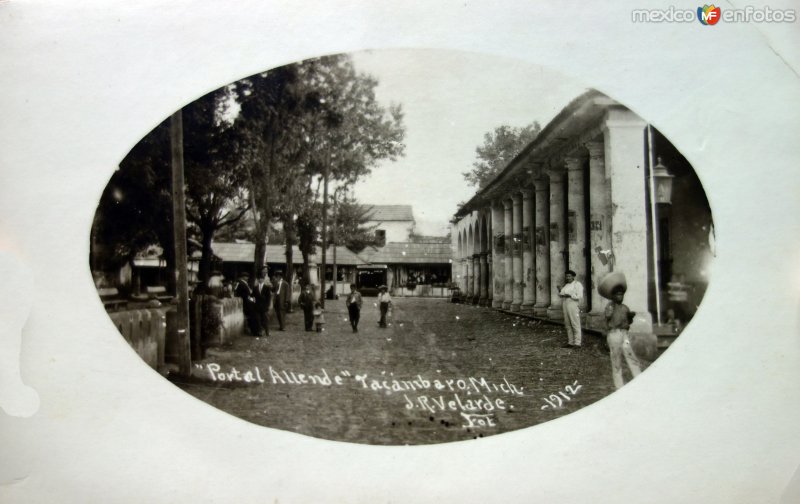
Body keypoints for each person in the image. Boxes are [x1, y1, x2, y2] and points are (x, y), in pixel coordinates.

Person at [600, 273, 642, 389]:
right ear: (612, 296)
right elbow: (606, 321)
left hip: (624, 334)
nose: (620, 296)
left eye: (621, 294)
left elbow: (628, 323)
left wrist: (630, 317)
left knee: (631, 357)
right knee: (616, 360)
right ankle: (619, 385)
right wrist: (604, 337)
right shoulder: (610, 307)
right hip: (614, 334)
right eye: (617, 294)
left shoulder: (625, 308)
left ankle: (639, 379)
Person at [558, 270, 584, 348]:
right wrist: (559, 290)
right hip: (565, 303)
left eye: (569, 276)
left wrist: (570, 295)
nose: (568, 278)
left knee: (575, 322)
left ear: (573, 276)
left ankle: (577, 343)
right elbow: (561, 294)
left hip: (573, 303)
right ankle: (571, 342)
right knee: (567, 323)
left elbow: (579, 296)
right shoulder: (566, 285)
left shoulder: (577, 284)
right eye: (566, 276)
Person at [234, 272, 260, 336]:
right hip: (246, 304)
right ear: (242, 277)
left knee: (254, 316)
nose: (247, 278)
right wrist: (252, 300)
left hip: (248, 302)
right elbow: (244, 295)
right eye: (246, 276)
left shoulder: (244, 283)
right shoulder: (241, 284)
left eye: (247, 276)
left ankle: (256, 331)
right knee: (253, 317)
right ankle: (255, 332)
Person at [253, 270, 272, 337]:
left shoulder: (267, 288)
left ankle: (267, 332)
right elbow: (252, 296)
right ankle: (260, 331)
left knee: (265, 319)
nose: (260, 280)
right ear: (258, 280)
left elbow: (269, 297)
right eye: (259, 279)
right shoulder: (255, 288)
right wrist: (253, 302)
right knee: (258, 320)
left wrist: (268, 305)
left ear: (263, 279)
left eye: (261, 279)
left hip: (264, 306)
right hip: (257, 306)